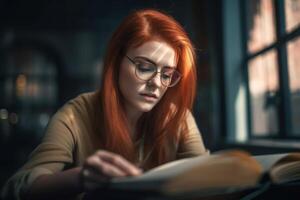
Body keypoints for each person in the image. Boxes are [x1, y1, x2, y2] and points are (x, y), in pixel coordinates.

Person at [1, 9, 209, 200]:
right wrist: (81, 178)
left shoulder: (178, 119)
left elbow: (205, 181)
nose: (156, 83)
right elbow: (17, 188)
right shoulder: (75, 116)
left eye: (167, 74)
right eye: (145, 67)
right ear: (116, 63)